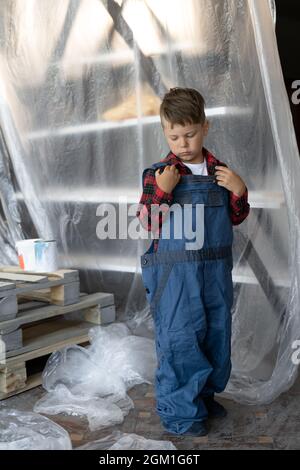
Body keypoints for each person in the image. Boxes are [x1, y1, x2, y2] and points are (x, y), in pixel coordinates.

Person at [137, 87, 250, 436]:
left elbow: (236, 217)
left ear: (205, 127)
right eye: (174, 136)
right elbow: (147, 222)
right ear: (164, 131)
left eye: (190, 134)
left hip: (214, 270)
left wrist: (240, 191)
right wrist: (163, 191)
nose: (183, 144)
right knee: (180, 338)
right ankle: (180, 414)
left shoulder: (221, 172)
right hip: (174, 272)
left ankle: (203, 398)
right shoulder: (158, 174)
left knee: (215, 333)